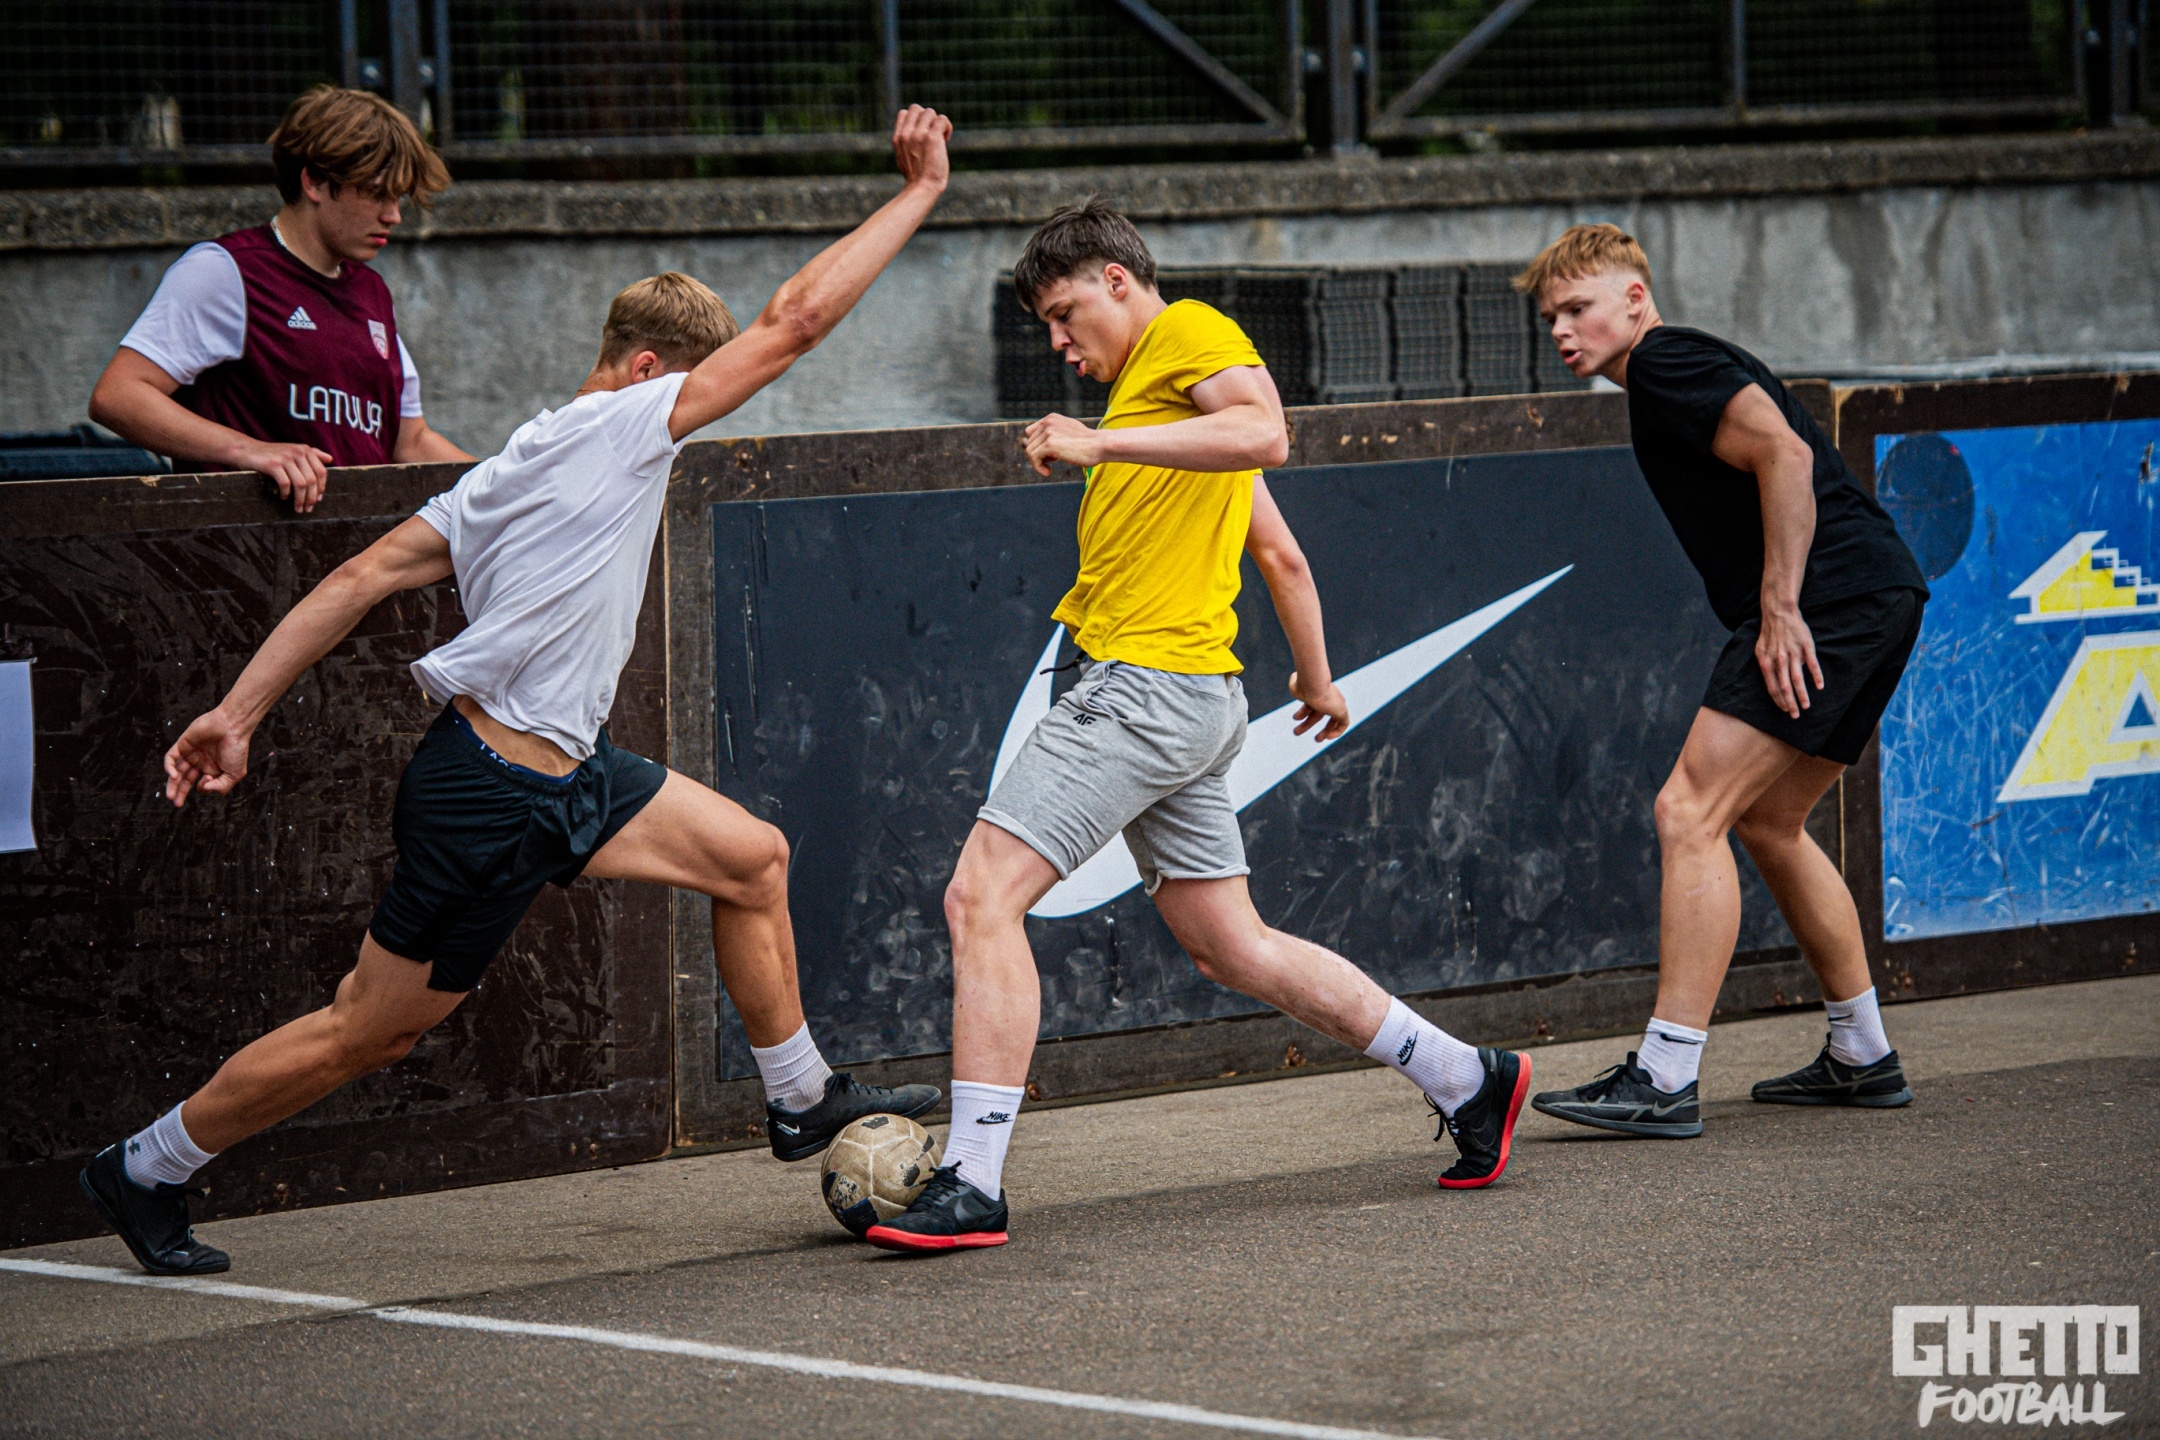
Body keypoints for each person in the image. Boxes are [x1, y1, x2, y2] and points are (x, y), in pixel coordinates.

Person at [78, 106, 959, 1278]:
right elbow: (793, 323)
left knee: (752, 859)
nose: (694, 418)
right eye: (691, 397)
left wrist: (236, 715)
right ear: (647, 373)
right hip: (488, 794)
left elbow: (355, 578)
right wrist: (918, 191)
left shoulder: (501, 470)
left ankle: (799, 1101)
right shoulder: (621, 426)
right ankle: (146, 1166)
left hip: (565, 772)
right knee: (366, 1032)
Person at [863, 201, 1534, 1254]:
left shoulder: (1187, 336)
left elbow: (1267, 430)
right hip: (1194, 699)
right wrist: (1318, 678)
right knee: (1233, 945)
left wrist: (1096, 441)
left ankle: (973, 1181)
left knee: (979, 896)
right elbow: (1280, 551)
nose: (1058, 341)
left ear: (1116, 280)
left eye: (1064, 312)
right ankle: (1467, 1076)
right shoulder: (1167, 410)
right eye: (1046, 324)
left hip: (1143, 692)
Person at [1518, 224, 1928, 1139]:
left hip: (1832, 598)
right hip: (1876, 593)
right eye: (1550, 318)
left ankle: (1664, 1076)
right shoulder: (1660, 377)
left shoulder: (1667, 360)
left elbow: (1786, 455)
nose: (1561, 331)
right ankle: (1862, 1053)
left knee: (1688, 810)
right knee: (1769, 820)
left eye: (1577, 308)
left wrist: (1781, 607)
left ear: (1635, 299)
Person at [88, 86, 474, 513]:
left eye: (398, 198)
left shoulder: (372, 293)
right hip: (248, 546)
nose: (394, 215)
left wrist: (504, 483)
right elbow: (118, 396)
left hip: (358, 545)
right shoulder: (226, 270)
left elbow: (411, 441)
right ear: (314, 181)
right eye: (376, 193)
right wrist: (249, 450)